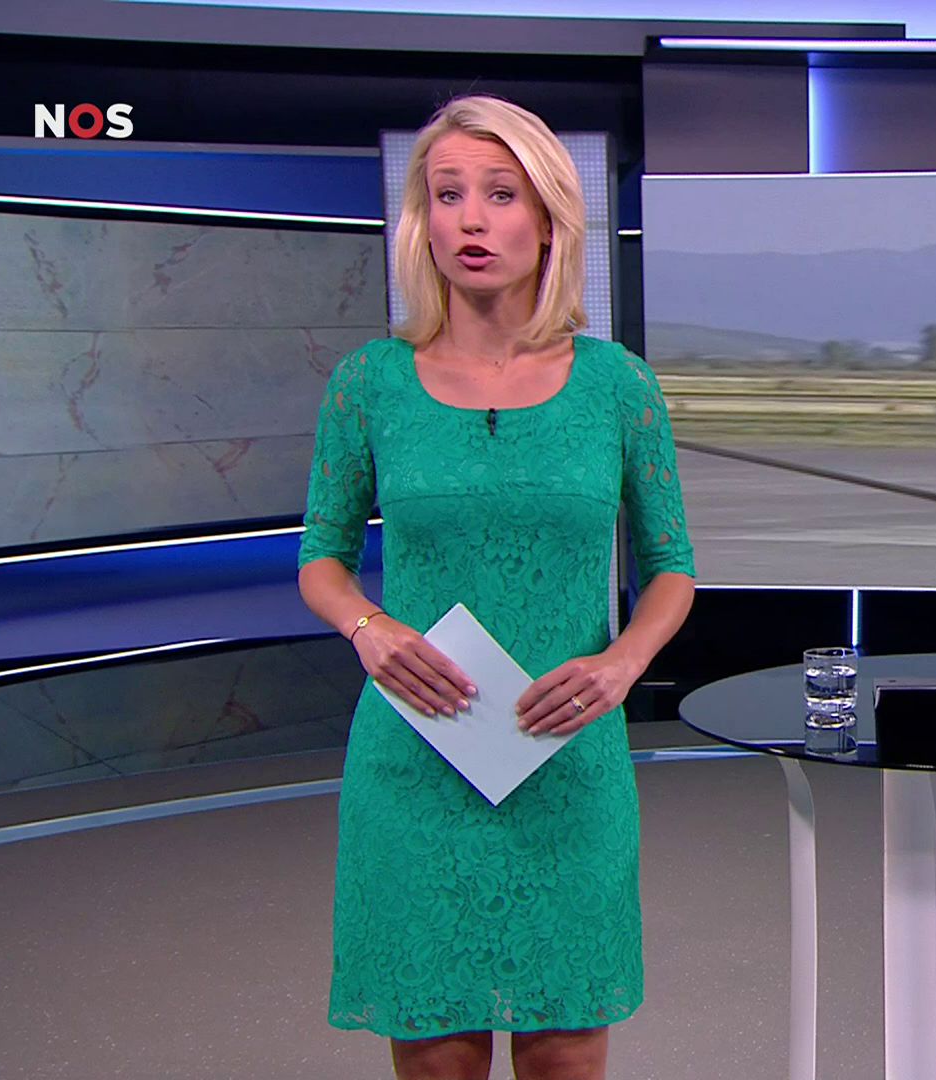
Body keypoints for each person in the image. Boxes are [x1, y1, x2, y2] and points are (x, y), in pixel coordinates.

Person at [296, 94, 696, 1080]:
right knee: (436, 1050)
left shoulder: (617, 386)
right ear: (421, 222)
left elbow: (672, 568)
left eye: (501, 194)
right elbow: (321, 559)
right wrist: (368, 627)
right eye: (448, 195)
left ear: (550, 219)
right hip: (418, 753)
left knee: (565, 1049)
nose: (471, 219)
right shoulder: (369, 383)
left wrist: (622, 662)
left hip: (566, 756)